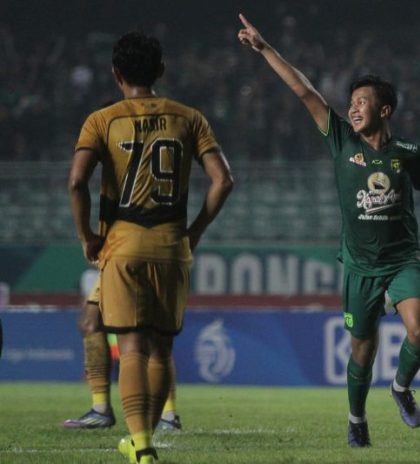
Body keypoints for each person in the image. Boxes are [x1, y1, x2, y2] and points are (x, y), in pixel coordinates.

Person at [237, 14, 420, 448]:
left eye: (362, 101)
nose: (354, 107)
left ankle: (400, 387)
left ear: (385, 110)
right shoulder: (341, 140)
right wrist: (265, 47)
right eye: (351, 101)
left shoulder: (409, 153)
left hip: (402, 259)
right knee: (363, 350)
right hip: (360, 266)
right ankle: (356, 419)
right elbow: (304, 90)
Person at [68, 31, 234, 464]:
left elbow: (77, 181)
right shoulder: (189, 118)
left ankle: (140, 444)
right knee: (162, 350)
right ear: (161, 70)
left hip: (122, 245)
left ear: (116, 74)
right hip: (171, 246)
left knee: (132, 348)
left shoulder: (102, 120)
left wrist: (86, 235)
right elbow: (223, 180)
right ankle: (147, 438)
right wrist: (196, 229)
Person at [62, 281, 182, 431]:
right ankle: (100, 409)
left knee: (151, 331)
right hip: (113, 270)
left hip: (142, 269)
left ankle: (167, 416)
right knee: (90, 323)